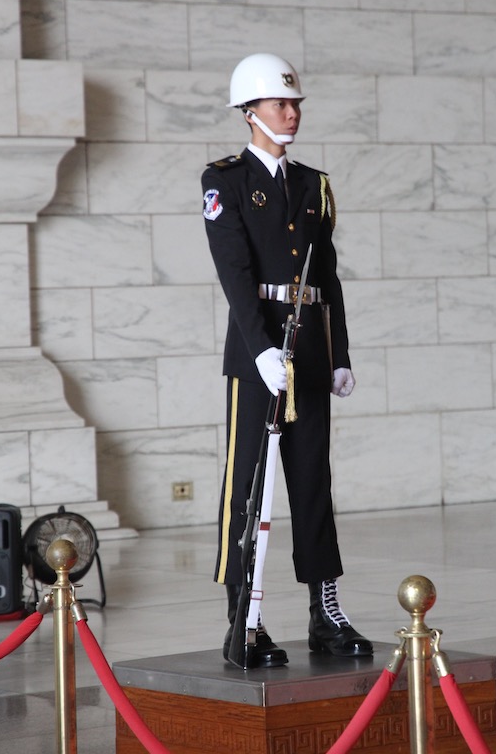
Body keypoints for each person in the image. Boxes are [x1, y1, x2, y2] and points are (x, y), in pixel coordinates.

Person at [201, 53, 372, 667]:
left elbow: (327, 277)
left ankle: (325, 612)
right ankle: (242, 618)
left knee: (311, 483)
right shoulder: (223, 181)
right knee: (247, 485)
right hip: (259, 356)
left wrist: (340, 354)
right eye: (279, 103)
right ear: (250, 112)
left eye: (295, 103)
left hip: (310, 351)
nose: (291, 112)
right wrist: (261, 349)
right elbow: (235, 276)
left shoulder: (313, 183)